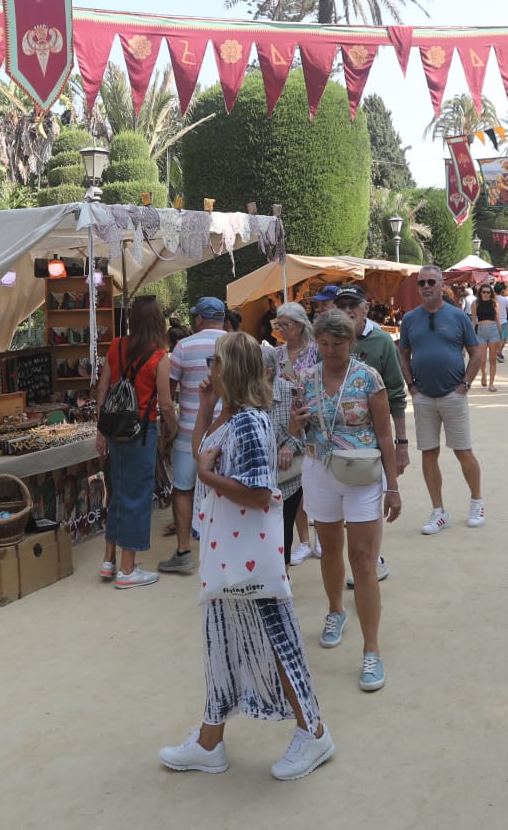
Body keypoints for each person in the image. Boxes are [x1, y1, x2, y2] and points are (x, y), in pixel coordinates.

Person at [160, 333, 334, 781]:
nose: (208, 370)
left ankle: (313, 732)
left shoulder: (250, 424)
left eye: (215, 363)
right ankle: (209, 740)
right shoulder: (231, 416)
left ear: (232, 368)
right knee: (220, 643)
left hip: (246, 556)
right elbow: (203, 451)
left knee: (277, 641)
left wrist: (206, 476)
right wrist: (206, 407)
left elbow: (259, 493)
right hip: (229, 554)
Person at [293, 310, 401, 692]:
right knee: (331, 549)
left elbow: (385, 436)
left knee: (363, 560)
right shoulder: (305, 379)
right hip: (319, 470)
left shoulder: (368, 379)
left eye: (337, 344)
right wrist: (294, 424)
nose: (330, 351)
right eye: (323, 344)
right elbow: (296, 428)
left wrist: (393, 486)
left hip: (361, 473)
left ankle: (371, 649)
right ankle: (335, 610)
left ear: (350, 343)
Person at [93, 294, 176, 589]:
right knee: (137, 497)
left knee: (117, 492)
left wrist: (100, 430)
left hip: (115, 430)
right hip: (141, 431)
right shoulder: (160, 357)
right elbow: (165, 405)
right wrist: (174, 429)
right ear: (158, 320)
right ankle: (127, 570)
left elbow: (102, 389)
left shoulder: (115, 347)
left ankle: (108, 560)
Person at [398, 265, 485, 535]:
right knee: (429, 452)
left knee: (463, 450)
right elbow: (403, 354)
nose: (426, 286)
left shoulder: (457, 316)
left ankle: (477, 502)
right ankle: (439, 511)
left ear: (441, 283)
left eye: (431, 282)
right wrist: (411, 385)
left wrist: (465, 385)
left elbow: (476, 353)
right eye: (421, 282)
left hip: (453, 395)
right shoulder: (410, 319)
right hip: (423, 396)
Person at [331, 286, 408, 586]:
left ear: (365, 308)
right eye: (342, 305)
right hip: (335, 440)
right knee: (341, 504)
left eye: (353, 304)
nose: (347, 310)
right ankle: (358, 558)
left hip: (372, 439)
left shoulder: (381, 342)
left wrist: (401, 444)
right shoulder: (327, 341)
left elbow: (396, 394)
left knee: (369, 502)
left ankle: (372, 559)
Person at [159, 298, 227, 576]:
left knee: (183, 489)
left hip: (188, 431)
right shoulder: (237, 343)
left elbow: (169, 389)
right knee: (225, 490)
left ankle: (184, 550)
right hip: (226, 429)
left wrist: (168, 428)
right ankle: (224, 551)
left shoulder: (183, 347)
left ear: (199, 319)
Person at [267, 303, 319, 566]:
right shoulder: (275, 354)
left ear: (300, 325)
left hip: (314, 422)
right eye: (279, 325)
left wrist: (297, 383)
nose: (281, 330)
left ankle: (319, 533)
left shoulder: (317, 351)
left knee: (317, 482)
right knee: (295, 482)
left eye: (285, 325)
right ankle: (304, 541)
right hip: (288, 424)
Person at [472, 283, 503, 390]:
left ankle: (491, 383)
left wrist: (501, 334)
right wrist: (471, 334)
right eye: (483, 292)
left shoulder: (494, 303)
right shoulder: (476, 303)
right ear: (480, 293)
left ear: (491, 293)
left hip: (493, 330)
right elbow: (473, 320)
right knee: (482, 359)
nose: (485, 294)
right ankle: (484, 374)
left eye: (488, 292)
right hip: (481, 331)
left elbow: (497, 319)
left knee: (493, 359)